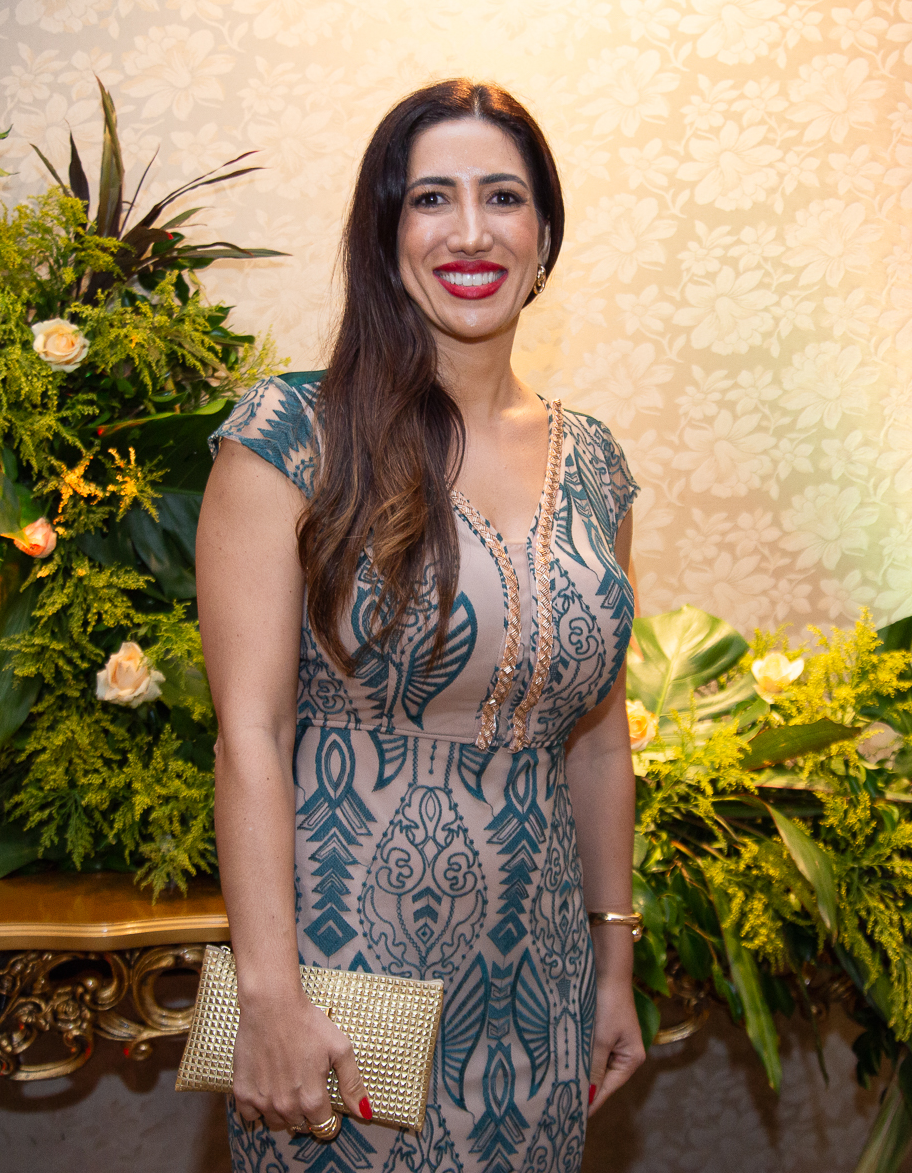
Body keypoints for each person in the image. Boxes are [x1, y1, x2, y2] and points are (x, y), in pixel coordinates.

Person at [196, 78, 645, 1173]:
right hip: (341, 986)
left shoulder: (597, 465)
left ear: (545, 237)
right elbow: (249, 732)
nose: (471, 231)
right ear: (384, 233)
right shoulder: (291, 435)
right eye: (431, 199)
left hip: (537, 990)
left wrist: (615, 967)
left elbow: (599, 742)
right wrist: (269, 997)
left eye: (504, 197)